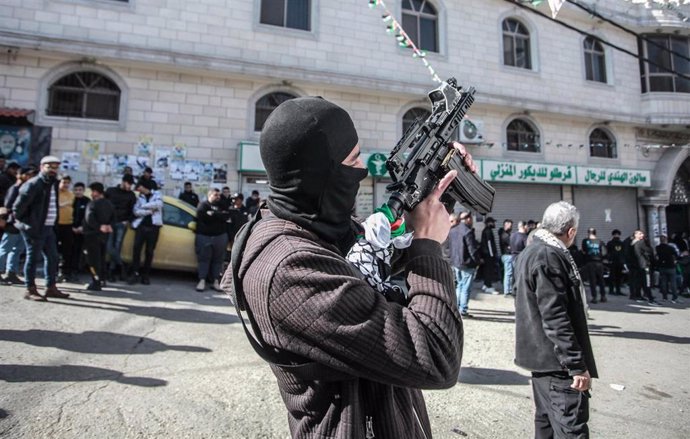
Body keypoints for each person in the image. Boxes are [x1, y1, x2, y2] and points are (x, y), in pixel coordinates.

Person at [221, 96, 463, 438]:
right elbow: (435, 356)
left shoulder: (310, 224)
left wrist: (436, 195)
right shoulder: (290, 267)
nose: (362, 170)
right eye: (353, 160)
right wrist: (427, 246)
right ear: (321, 173)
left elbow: (367, 269)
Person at [514, 201, 598, 439]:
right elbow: (555, 317)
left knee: (547, 423)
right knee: (570, 428)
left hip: (541, 359)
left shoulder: (531, 251)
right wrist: (576, 365)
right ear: (571, 231)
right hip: (557, 364)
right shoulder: (549, 256)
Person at [13, 155, 69, 301]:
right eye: (49, 166)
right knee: (32, 259)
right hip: (35, 228)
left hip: (48, 227)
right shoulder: (34, 184)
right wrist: (29, 225)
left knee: (53, 257)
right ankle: (29, 289)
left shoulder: (52, 183)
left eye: (55, 167)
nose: (52, 170)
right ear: (41, 167)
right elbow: (18, 209)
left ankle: (50, 287)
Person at [0, 166, 36, 285]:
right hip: (12, 224)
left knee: (17, 250)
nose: (30, 177)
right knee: (5, 249)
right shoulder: (15, 189)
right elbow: (7, 207)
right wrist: (4, 219)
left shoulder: (26, 188)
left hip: (23, 224)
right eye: (27, 175)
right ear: (20, 175)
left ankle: (11, 273)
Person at [128, 180, 163, 285]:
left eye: (139, 187)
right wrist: (148, 211)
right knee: (136, 250)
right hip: (141, 227)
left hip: (153, 227)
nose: (138, 189)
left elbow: (159, 204)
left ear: (144, 187)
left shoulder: (157, 194)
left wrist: (144, 206)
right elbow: (136, 211)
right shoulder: (139, 197)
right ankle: (135, 273)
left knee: (149, 252)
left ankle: (145, 275)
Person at [194, 188, 230, 292]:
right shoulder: (203, 205)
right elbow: (202, 216)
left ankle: (215, 281)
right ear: (210, 195)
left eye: (219, 195)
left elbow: (226, 216)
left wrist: (213, 214)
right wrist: (218, 215)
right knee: (204, 259)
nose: (218, 197)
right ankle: (202, 281)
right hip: (204, 237)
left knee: (218, 260)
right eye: (216, 195)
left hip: (220, 236)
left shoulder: (223, 205)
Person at [82, 182, 115, 291]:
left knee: (93, 260)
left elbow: (89, 218)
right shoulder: (109, 204)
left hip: (91, 235)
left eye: (92, 191)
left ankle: (95, 282)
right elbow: (114, 218)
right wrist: (108, 226)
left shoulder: (92, 204)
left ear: (96, 192)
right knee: (101, 258)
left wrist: (99, 226)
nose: (91, 194)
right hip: (104, 236)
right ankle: (102, 280)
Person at [449, 211, 481, 317]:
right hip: (467, 263)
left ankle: (457, 308)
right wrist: (477, 261)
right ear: (468, 219)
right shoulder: (468, 231)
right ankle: (463, 310)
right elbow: (472, 250)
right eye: (471, 218)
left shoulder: (453, 230)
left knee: (459, 286)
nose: (471, 220)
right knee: (466, 288)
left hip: (456, 262)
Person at [105, 174, 137, 281]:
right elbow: (103, 204)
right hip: (109, 223)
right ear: (123, 182)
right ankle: (123, 266)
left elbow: (133, 210)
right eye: (129, 184)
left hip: (121, 224)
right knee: (109, 247)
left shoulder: (131, 195)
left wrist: (128, 221)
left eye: (131, 185)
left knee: (117, 247)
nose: (130, 187)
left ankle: (111, 271)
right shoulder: (110, 191)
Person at [630, 230, 658, 305]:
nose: (642, 235)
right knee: (647, 282)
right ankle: (650, 299)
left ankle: (638, 296)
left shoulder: (632, 244)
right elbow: (649, 251)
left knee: (640, 282)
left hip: (637, 266)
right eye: (640, 233)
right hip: (644, 265)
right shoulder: (641, 243)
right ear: (636, 235)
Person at [56, 175, 75, 282]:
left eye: (68, 183)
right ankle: (53, 271)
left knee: (67, 250)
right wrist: (63, 204)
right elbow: (58, 204)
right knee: (53, 249)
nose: (66, 185)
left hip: (68, 224)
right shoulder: (55, 193)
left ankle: (64, 272)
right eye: (64, 182)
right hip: (56, 224)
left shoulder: (71, 195)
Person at [581, 228, 606, 303]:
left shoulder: (585, 241)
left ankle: (594, 297)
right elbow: (604, 252)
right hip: (599, 262)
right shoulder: (600, 241)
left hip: (590, 262)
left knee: (592, 281)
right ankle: (603, 296)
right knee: (601, 280)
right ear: (595, 233)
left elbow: (583, 251)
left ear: (588, 233)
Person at [71, 182, 90, 277]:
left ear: (83, 190)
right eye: (76, 190)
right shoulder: (71, 200)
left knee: (79, 251)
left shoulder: (87, 201)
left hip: (81, 230)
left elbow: (88, 217)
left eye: (80, 190)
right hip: (70, 229)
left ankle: (77, 269)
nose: (78, 192)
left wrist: (82, 227)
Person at [656, 235, 680, 303]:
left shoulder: (657, 248)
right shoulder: (670, 247)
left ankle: (664, 297)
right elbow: (676, 255)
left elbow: (657, 256)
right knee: (673, 283)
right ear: (666, 240)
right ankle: (674, 297)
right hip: (670, 266)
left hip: (662, 266)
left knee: (664, 282)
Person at [480, 216, 499, 294]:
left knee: (487, 270)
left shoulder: (486, 230)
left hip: (486, 254)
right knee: (489, 270)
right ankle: (488, 286)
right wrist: (492, 255)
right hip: (488, 255)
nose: (494, 224)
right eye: (493, 222)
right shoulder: (488, 231)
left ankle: (485, 284)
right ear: (489, 223)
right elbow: (489, 243)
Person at [606, 229, 626, 296]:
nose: (617, 235)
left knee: (618, 277)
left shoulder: (621, 243)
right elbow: (607, 252)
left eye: (618, 234)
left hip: (618, 262)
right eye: (616, 234)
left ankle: (618, 290)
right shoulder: (610, 243)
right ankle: (612, 290)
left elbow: (623, 253)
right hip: (613, 262)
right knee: (612, 277)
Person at [498, 219, 513, 296]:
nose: (511, 227)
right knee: (508, 274)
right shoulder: (505, 235)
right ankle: (507, 291)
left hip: (506, 255)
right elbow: (511, 246)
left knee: (508, 273)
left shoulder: (504, 234)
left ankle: (508, 290)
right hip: (507, 255)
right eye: (510, 226)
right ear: (505, 225)